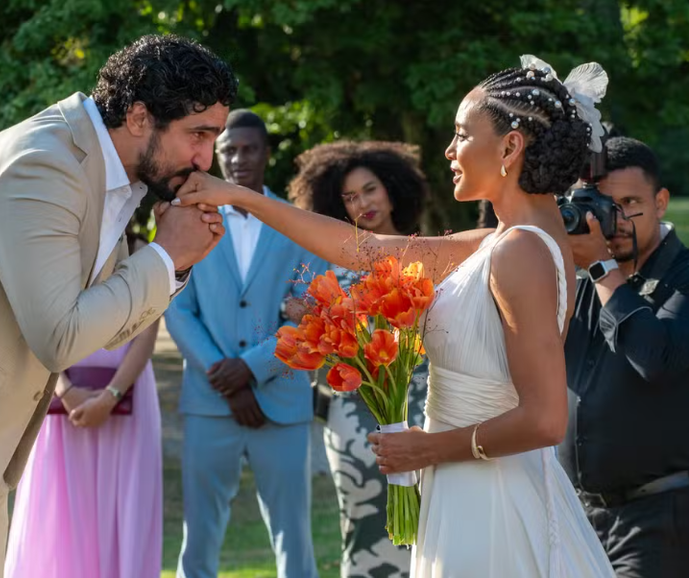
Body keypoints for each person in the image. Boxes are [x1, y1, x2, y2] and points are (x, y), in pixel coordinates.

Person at [174, 55, 617, 577]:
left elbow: (545, 419)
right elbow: (362, 249)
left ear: (510, 147)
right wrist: (239, 195)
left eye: (460, 134)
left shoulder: (520, 251)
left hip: (492, 498)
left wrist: (426, 449)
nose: (449, 151)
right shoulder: (501, 243)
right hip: (466, 484)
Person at [0, 34, 236, 578]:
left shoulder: (107, 176)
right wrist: (164, 256)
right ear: (138, 117)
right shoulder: (43, 165)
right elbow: (61, 336)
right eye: (197, 135)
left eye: (214, 137)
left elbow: (103, 330)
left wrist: (174, 265)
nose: (206, 158)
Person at [164, 110, 326, 578]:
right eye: (229, 149)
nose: (238, 158)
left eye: (249, 148)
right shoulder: (188, 220)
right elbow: (177, 308)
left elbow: (311, 310)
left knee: (294, 535)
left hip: (283, 398)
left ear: (266, 154)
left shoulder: (298, 224)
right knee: (198, 535)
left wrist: (253, 368)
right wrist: (227, 377)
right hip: (210, 398)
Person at [288, 140, 430, 577]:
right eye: (350, 197)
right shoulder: (333, 266)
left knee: (431, 518)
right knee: (361, 519)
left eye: (370, 189)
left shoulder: (427, 255)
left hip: (422, 406)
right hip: (352, 414)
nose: (363, 202)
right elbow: (308, 329)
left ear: (391, 189)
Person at [558, 136, 689, 578]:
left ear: (661, 202)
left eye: (629, 203)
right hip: (577, 519)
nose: (614, 222)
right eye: (602, 207)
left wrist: (599, 267)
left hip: (660, 519)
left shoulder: (684, 277)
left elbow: (655, 357)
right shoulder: (582, 280)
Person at [4, 230, 164, 578]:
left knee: (123, 508)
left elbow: (146, 335)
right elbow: (36, 324)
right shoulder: (55, 247)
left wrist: (111, 396)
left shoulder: (144, 253)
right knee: (58, 509)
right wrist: (64, 390)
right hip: (61, 401)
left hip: (128, 399)